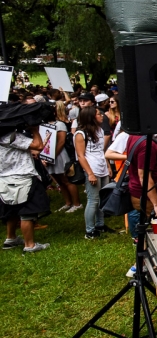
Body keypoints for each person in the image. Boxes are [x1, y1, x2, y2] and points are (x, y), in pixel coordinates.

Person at [0, 125, 49, 252]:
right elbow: (38, 146)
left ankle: (11, 238)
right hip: (23, 177)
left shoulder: (3, 137)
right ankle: (30, 245)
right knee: (28, 211)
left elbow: (30, 150)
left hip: (4, 177)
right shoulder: (13, 137)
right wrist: (34, 130)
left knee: (12, 209)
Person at [75, 106, 113, 239]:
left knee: (102, 199)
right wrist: (90, 173)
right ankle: (89, 231)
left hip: (102, 167)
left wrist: (108, 166)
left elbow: (101, 151)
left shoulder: (100, 130)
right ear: (91, 117)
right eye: (98, 114)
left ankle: (100, 225)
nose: (102, 116)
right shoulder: (80, 134)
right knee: (93, 200)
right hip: (92, 169)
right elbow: (80, 156)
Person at [48, 102, 81, 213]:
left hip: (60, 155)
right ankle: (68, 203)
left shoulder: (59, 124)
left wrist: (52, 156)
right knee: (59, 181)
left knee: (67, 180)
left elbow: (61, 141)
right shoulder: (43, 125)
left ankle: (77, 204)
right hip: (49, 156)